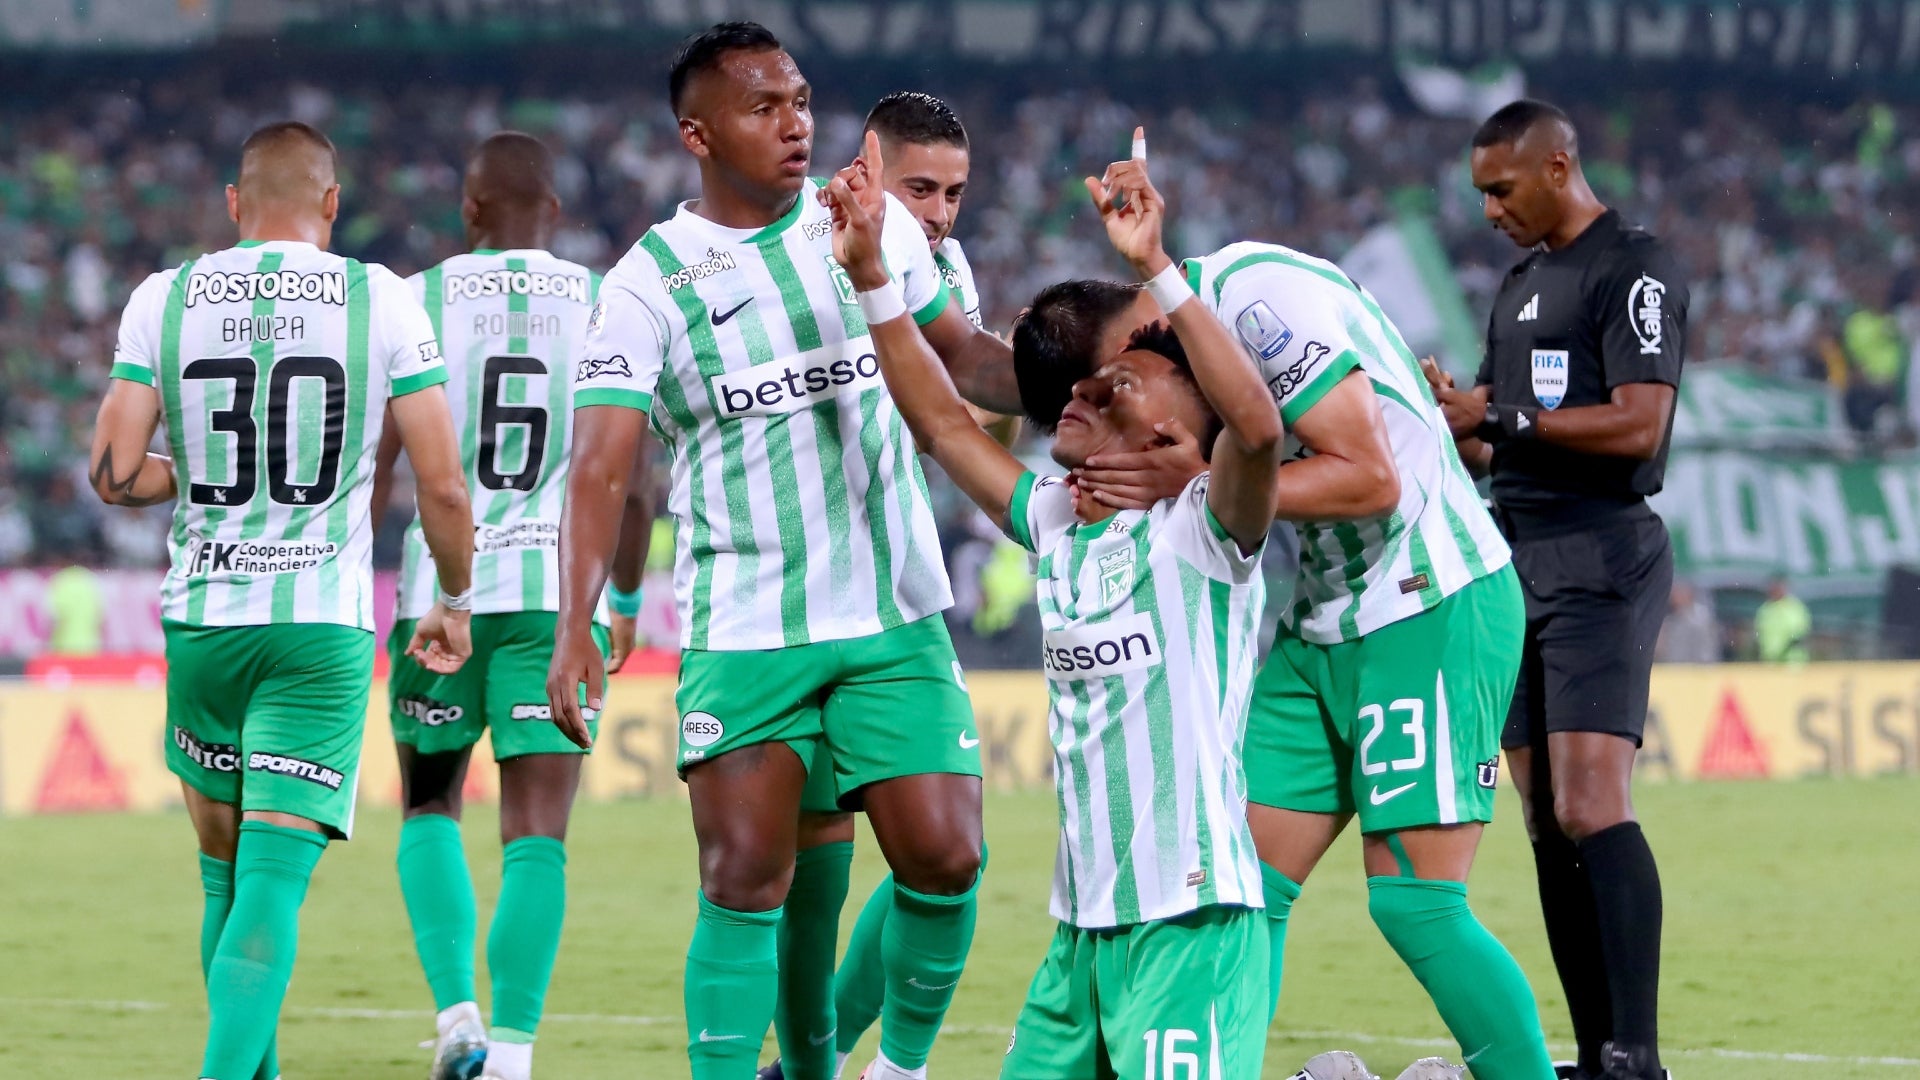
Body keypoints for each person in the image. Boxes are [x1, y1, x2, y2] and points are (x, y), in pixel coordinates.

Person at [544, 23, 1022, 1080]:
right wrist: (578, 621)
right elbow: (599, 469)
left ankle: (897, 1069)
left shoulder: (874, 228)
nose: (796, 122)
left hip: (892, 612)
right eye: (764, 107)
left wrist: (1094, 368)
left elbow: (970, 363)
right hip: (751, 626)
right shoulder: (644, 285)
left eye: (801, 100)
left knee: (947, 854)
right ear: (698, 134)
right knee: (753, 880)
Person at [1016, 145, 1553, 1080]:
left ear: (1137, 339)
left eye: (1114, 394)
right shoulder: (1162, 357)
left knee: (1415, 906)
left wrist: (1197, 478)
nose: (1115, 419)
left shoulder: (1256, 295)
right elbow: (972, 390)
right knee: (1238, 884)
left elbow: (1371, 476)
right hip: (1322, 622)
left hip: (1428, 594)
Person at [826, 128, 1282, 1078]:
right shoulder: (1058, 523)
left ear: (1169, 425)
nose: (1075, 396)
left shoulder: (1206, 530)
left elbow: (1257, 426)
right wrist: (872, 277)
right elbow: (945, 420)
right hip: (1079, 933)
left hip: (1189, 921)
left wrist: (1154, 264)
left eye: (1112, 385)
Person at [87, 120, 475, 1080]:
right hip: (314, 630)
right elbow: (443, 485)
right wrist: (454, 599)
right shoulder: (378, 298)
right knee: (268, 880)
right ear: (332, 205)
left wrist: (211, 470)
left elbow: (112, 472)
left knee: (223, 876)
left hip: (203, 621)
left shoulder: (162, 298)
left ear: (233, 203)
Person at [372, 131, 653, 1080]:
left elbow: (379, 463)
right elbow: (630, 477)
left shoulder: (416, 298)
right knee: (539, 831)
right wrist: (622, 596)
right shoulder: (606, 302)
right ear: (557, 216)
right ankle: (516, 1056)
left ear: (469, 210)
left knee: (429, 804)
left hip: (438, 596)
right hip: (554, 604)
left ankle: (457, 1018)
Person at [1426, 99, 1687, 1080]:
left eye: (1501, 189)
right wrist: (1439, 416)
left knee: (1589, 803)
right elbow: (1495, 433)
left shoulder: (1635, 265)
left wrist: (1505, 416)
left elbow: (1638, 425)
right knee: (1541, 816)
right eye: (1480, 193)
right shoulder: (1521, 282)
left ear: (1558, 165)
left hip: (1600, 552)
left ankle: (1641, 1058)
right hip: (1515, 557)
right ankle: (1594, 1057)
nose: (1489, 210)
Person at [763, 89, 994, 1080]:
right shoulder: (803, 242)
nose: (939, 213)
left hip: (896, 592)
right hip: (785, 607)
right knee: (806, 881)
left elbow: (970, 424)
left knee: (943, 853)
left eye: (954, 193)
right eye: (920, 188)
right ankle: (802, 1067)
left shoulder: (944, 271)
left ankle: (890, 1065)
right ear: (866, 167)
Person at [1654, 581, 1719, 665]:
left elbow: (1706, 653)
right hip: (1671, 672)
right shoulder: (1668, 619)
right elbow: (1661, 653)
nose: (1674, 596)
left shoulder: (1701, 620)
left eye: (1678, 592)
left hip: (1695, 672)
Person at [1753, 576, 1810, 663]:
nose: (1774, 590)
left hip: (1791, 662)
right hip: (1769, 661)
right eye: (1772, 587)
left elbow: (1798, 634)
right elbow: (1759, 633)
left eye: (1778, 587)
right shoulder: (1765, 609)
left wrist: (1783, 652)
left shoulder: (1793, 607)